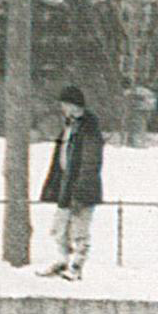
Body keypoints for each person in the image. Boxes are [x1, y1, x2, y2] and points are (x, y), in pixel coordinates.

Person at [35, 85, 105, 281]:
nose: (62, 109)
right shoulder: (69, 127)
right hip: (66, 185)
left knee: (79, 229)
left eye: (65, 105)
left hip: (81, 187)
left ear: (75, 106)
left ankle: (76, 266)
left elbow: (90, 163)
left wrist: (81, 190)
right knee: (59, 227)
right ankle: (63, 260)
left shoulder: (88, 128)